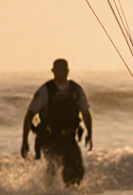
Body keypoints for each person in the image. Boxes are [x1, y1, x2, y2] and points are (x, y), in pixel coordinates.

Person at [21, 58, 93, 186]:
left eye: (63, 70)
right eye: (58, 70)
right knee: (53, 169)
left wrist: (90, 135)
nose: (61, 73)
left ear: (68, 71)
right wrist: (24, 142)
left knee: (78, 170)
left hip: (70, 137)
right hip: (50, 138)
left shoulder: (75, 90)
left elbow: (86, 113)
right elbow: (29, 115)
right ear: (53, 71)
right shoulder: (45, 91)